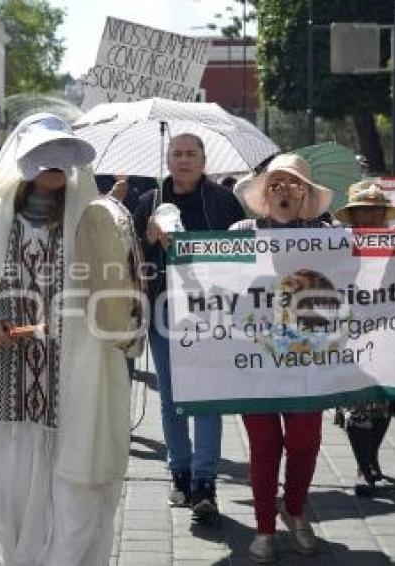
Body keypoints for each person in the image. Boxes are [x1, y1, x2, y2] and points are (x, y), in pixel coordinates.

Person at [0, 114, 132, 565]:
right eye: (44, 156)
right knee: (9, 499)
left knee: (73, 501)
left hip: (72, 389)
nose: (54, 167)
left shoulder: (90, 219)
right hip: (9, 392)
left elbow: (118, 293)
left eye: (61, 157)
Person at [133, 133, 246, 523]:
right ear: (167, 158)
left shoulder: (223, 200)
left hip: (212, 314)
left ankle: (205, 481)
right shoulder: (148, 201)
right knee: (171, 398)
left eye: (190, 154)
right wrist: (146, 241)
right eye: (176, 153)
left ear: (203, 160)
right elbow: (130, 260)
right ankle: (178, 473)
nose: (183, 160)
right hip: (164, 313)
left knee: (208, 398)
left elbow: (242, 255)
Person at [230, 153, 334, 563]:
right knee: (265, 445)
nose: (283, 191)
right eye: (275, 184)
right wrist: (170, 241)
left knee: (306, 442)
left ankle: (293, 509)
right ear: (264, 193)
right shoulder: (240, 232)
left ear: (306, 195)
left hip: (308, 359)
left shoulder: (329, 235)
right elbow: (207, 275)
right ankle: (264, 529)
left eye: (293, 184)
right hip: (255, 357)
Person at [332, 181, 395, 497]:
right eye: (361, 211)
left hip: (390, 327)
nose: (368, 217)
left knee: (384, 401)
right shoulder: (337, 244)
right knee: (356, 403)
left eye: (375, 211)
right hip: (350, 330)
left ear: (384, 215)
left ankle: (371, 460)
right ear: (351, 216)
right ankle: (366, 469)